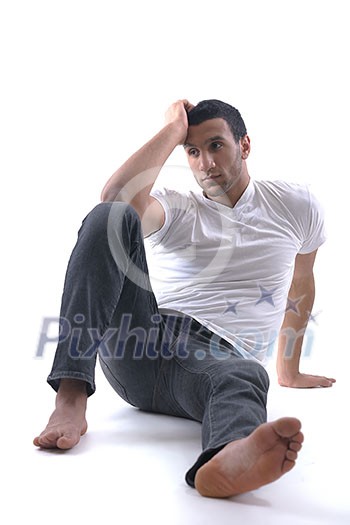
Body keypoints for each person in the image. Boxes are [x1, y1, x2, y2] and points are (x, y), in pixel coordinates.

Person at [34, 99, 336, 498]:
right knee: (111, 216)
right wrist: (173, 130)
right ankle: (70, 396)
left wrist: (289, 370)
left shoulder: (296, 205)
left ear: (244, 145)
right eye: (192, 152)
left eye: (215, 146)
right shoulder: (180, 207)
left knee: (246, 374)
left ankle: (225, 461)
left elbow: (302, 281)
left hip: (217, 361)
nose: (205, 163)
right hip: (143, 342)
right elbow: (115, 199)